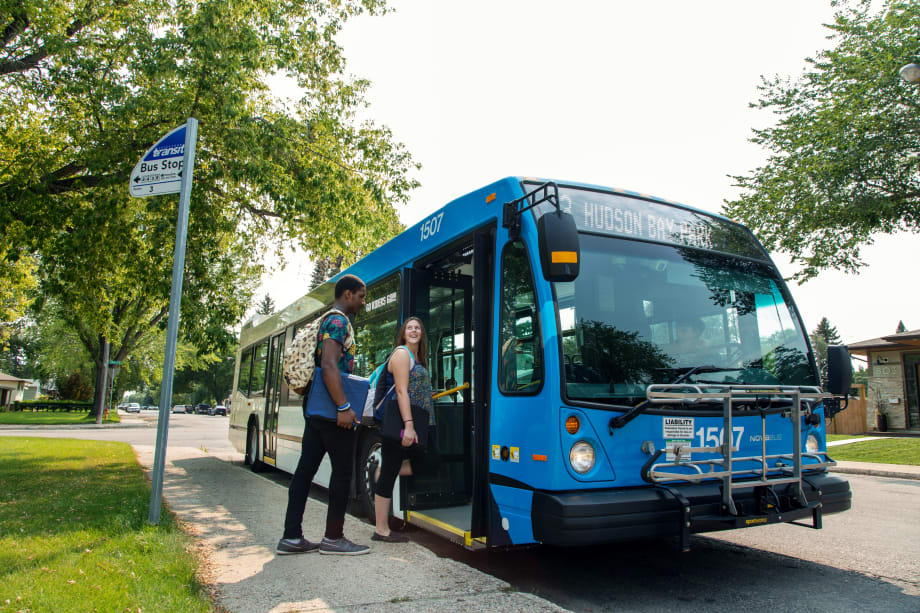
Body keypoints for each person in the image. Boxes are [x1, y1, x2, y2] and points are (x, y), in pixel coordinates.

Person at [277, 274, 369, 556]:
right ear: (347, 295)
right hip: (331, 411)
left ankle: (291, 537)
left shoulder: (327, 319)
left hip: (316, 409)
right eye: (361, 296)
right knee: (342, 474)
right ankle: (333, 537)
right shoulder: (338, 321)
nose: (363, 303)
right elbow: (329, 365)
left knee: (305, 471)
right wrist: (344, 407)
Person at [372, 316, 435, 542]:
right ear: (403, 333)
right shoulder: (401, 354)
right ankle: (381, 529)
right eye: (410, 327)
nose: (414, 330)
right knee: (389, 471)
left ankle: (385, 471)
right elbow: (401, 391)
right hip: (402, 421)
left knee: (427, 462)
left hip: (418, 421)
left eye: (418, 327)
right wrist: (409, 426)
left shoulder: (418, 357)